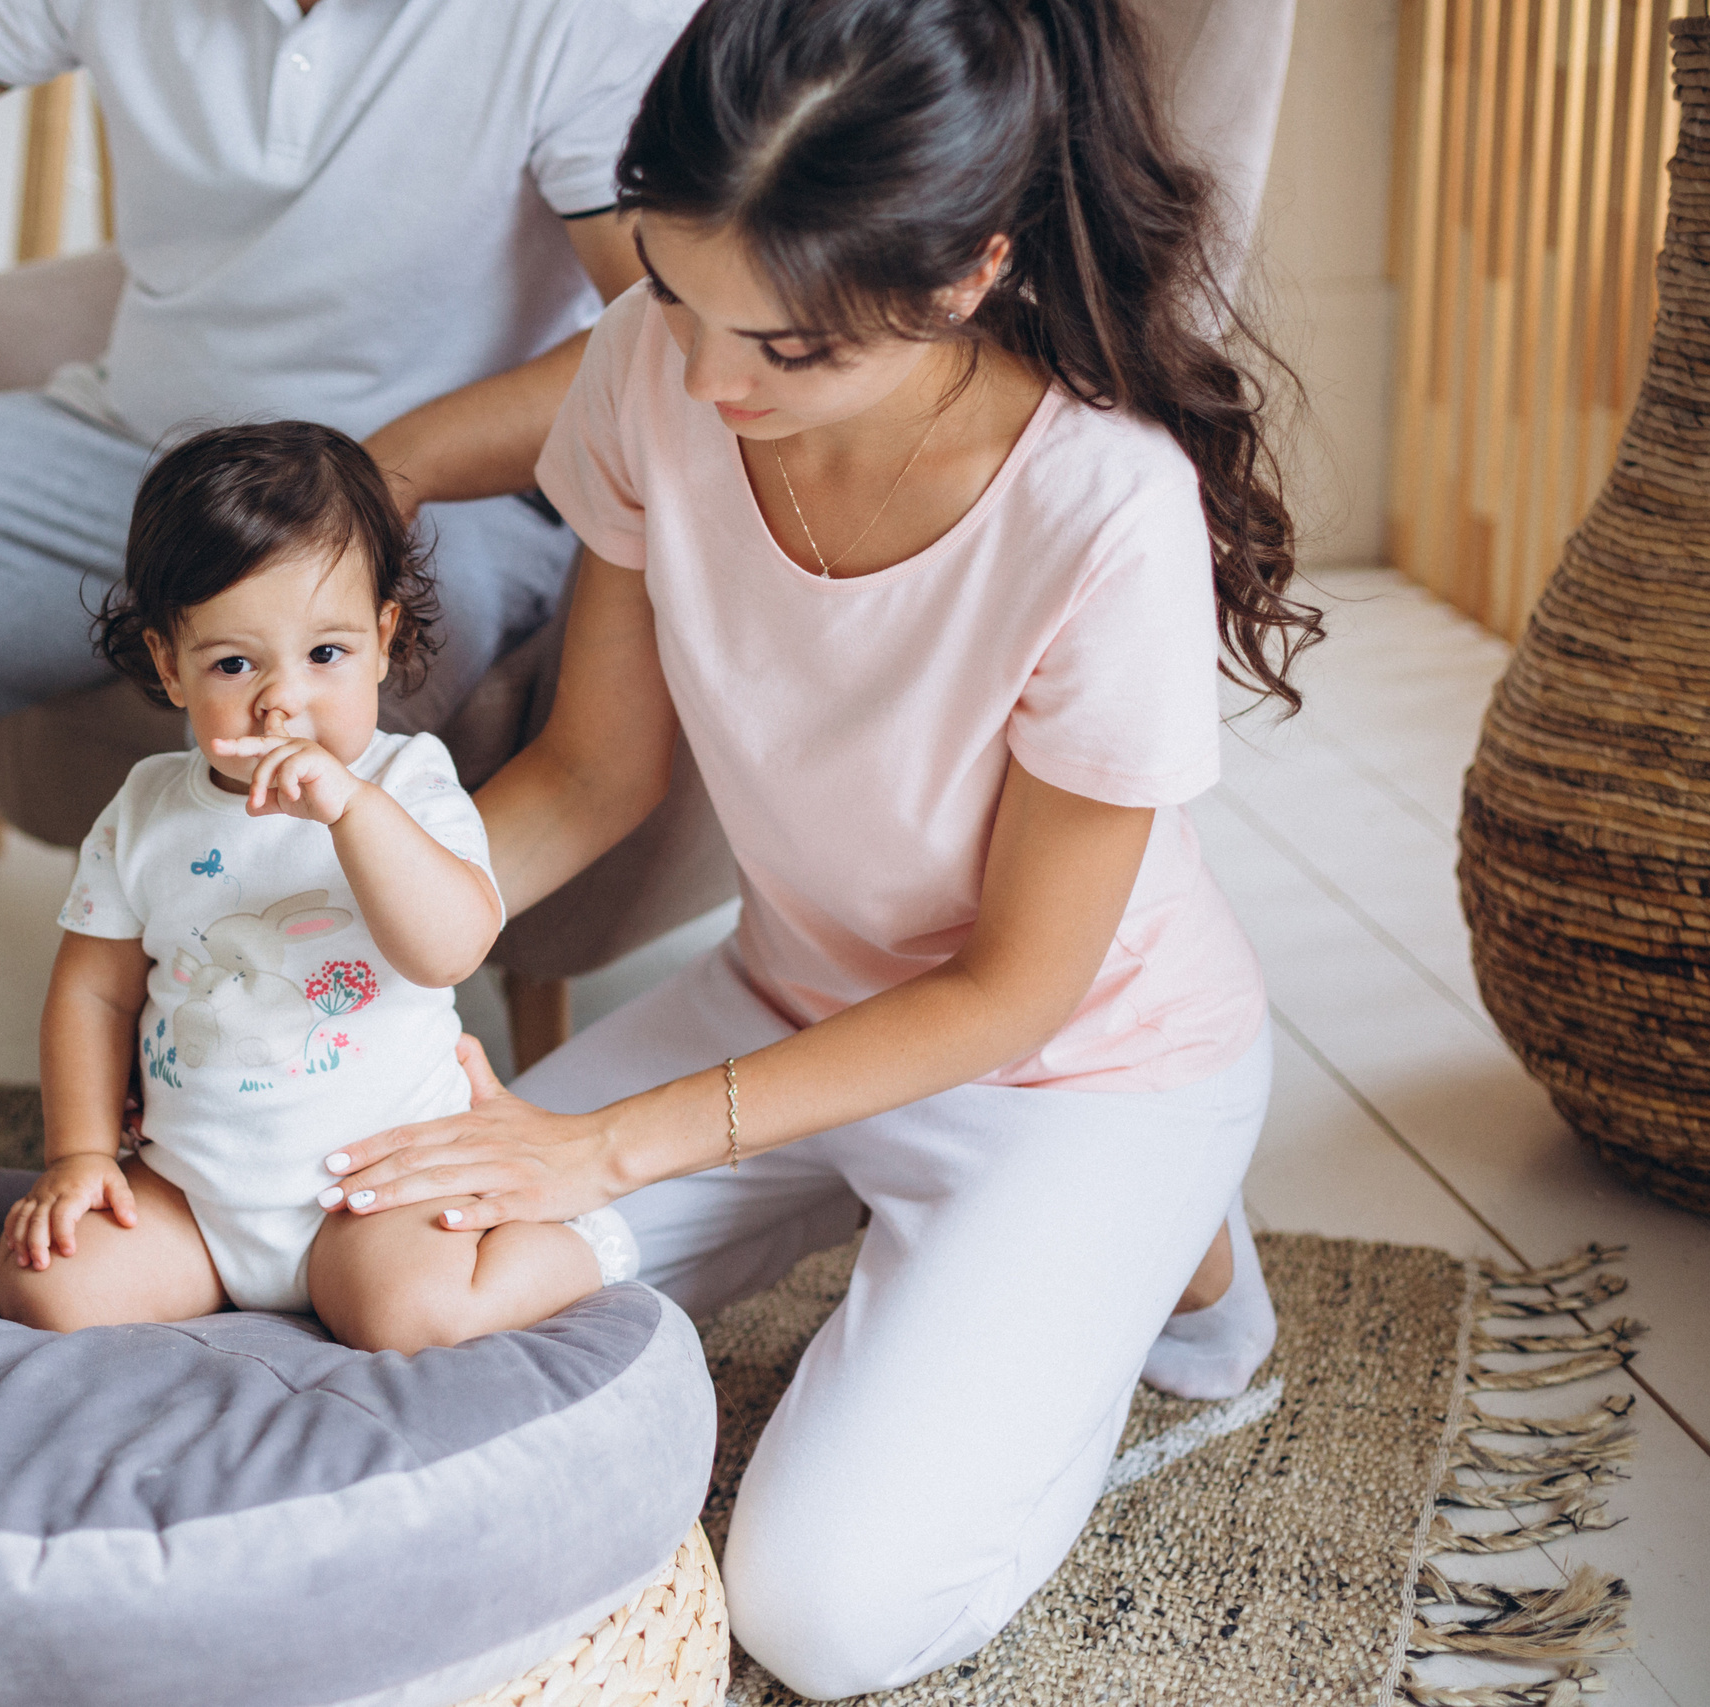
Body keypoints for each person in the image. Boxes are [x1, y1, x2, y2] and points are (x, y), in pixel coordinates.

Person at [308, 0, 1324, 1694]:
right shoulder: (660, 365)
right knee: (386, 1273)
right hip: (789, 1003)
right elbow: (590, 775)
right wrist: (325, 923)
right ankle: (977, 1241)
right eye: (679, 291)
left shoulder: (1103, 510)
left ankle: (1174, 1225)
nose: (706, 382)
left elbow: (1008, 994)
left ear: (963, 275)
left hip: (1068, 1067)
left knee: (823, 1615)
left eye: (786, 349)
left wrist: (607, 1153)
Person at [0, 0, 693, 1208]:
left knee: (322, 682)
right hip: (139, 452)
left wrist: (367, 484)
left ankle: (289, 1116)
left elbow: (654, 323)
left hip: (440, 483)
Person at [0, 422, 636, 1351]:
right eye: (234, 663)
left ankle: (578, 1247)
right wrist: (82, 1154)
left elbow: (450, 945)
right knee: (47, 1283)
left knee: (410, 1314)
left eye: (324, 655)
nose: (281, 700)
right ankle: (209, 1294)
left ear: (382, 641)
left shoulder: (410, 783)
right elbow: (92, 991)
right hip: (195, 1196)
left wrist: (354, 812)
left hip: (378, 1188)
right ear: (169, 664)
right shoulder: (145, 812)